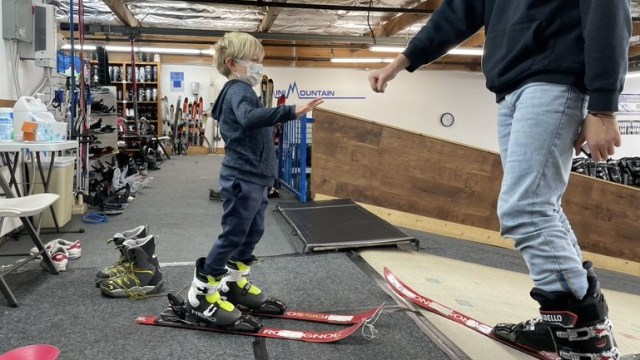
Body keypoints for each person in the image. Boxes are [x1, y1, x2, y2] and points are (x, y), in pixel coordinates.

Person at [368, 1, 630, 358]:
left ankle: (583, 334)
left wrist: (603, 106)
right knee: (541, 207)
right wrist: (402, 62)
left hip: (553, 78)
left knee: (527, 209)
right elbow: (460, 10)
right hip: (510, 88)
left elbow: (607, 11)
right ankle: (574, 325)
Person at [187, 31, 323, 330]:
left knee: (253, 231)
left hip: (256, 177)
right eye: (254, 61)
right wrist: (290, 110)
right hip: (242, 177)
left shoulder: (242, 89)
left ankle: (234, 284)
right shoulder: (238, 89)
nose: (259, 66)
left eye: (260, 61)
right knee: (233, 235)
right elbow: (249, 118)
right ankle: (201, 295)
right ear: (233, 63)